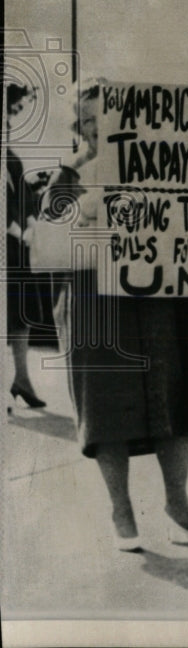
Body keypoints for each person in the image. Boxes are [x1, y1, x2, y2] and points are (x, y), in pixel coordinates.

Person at [41, 81, 188, 550]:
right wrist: (77, 175)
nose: (97, 128)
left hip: (160, 295)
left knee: (176, 395)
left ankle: (177, 503)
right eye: (86, 121)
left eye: (105, 118)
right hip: (95, 298)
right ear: (76, 126)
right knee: (106, 401)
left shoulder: (160, 161)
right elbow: (45, 229)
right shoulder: (71, 172)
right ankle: (121, 510)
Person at [5, 82, 45, 408]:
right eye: (12, 109)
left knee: (20, 314)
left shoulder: (12, 158)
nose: (12, 119)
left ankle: (22, 377)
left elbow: (24, 197)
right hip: (9, 241)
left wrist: (32, 225)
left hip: (15, 249)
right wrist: (20, 230)